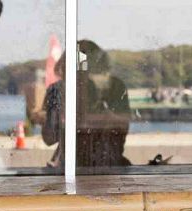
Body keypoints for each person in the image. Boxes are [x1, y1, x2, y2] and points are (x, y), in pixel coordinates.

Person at [42, 40, 131, 169]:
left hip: (99, 163)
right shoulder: (56, 90)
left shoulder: (111, 87)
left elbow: (121, 127)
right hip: (77, 164)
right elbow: (49, 137)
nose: (82, 71)